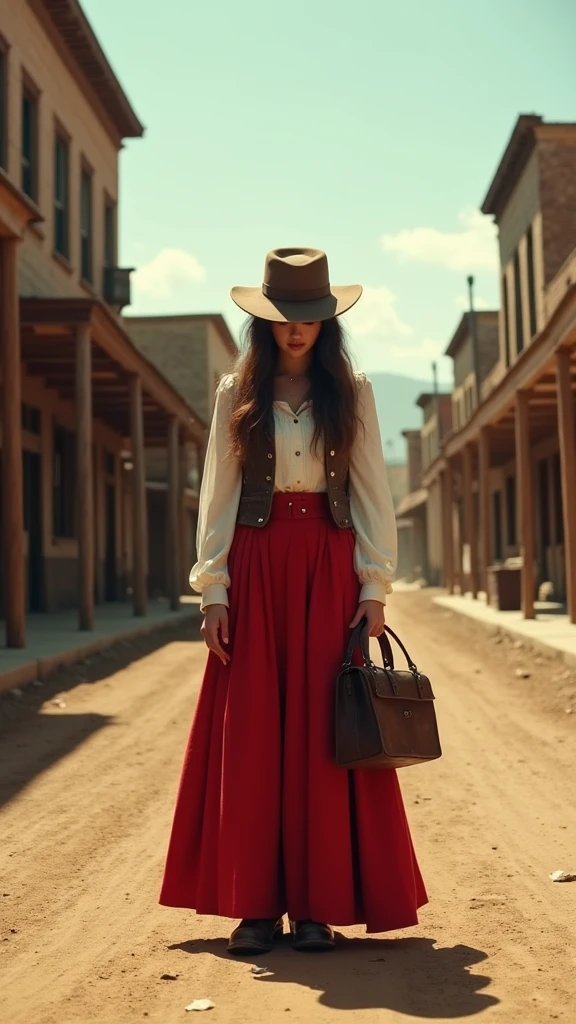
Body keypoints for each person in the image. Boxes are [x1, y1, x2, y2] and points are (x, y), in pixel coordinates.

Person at [159, 248, 427, 954]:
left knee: (323, 730)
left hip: (328, 565)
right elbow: (217, 494)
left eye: (310, 318)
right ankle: (256, 904)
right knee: (253, 733)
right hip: (255, 563)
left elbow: (373, 491)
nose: (298, 331)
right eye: (285, 320)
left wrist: (376, 585)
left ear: (327, 322)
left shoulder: (354, 391)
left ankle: (317, 905)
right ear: (265, 323)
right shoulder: (233, 392)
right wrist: (211, 589)